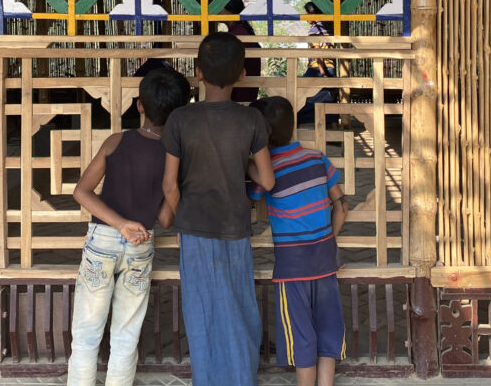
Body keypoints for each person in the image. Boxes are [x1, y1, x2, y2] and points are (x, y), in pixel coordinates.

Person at [161, 32, 276, 386]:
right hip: (235, 228)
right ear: (242, 74)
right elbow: (268, 182)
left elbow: (169, 185)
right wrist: (240, 163)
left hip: (194, 229)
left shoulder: (180, 119)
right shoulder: (251, 121)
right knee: (239, 307)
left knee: (201, 313)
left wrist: (183, 215)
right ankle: (242, 379)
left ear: (197, 72)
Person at [67, 67, 191, 386]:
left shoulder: (116, 141)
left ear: (139, 105)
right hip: (140, 245)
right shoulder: (176, 158)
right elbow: (165, 219)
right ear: (179, 112)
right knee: (125, 337)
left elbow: (81, 192)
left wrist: (120, 223)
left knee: (85, 336)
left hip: (102, 243)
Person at [247, 96, 348, 386]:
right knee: (329, 325)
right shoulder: (317, 158)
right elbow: (341, 206)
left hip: (292, 267)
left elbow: (256, 194)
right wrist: (328, 240)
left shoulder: (268, 171)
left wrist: (250, 165)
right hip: (326, 259)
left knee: (300, 331)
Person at [223, 0, 262, 102]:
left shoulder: (239, 33)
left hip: (240, 94)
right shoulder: (240, 31)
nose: (214, 9)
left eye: (219, 5)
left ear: (229, 8)